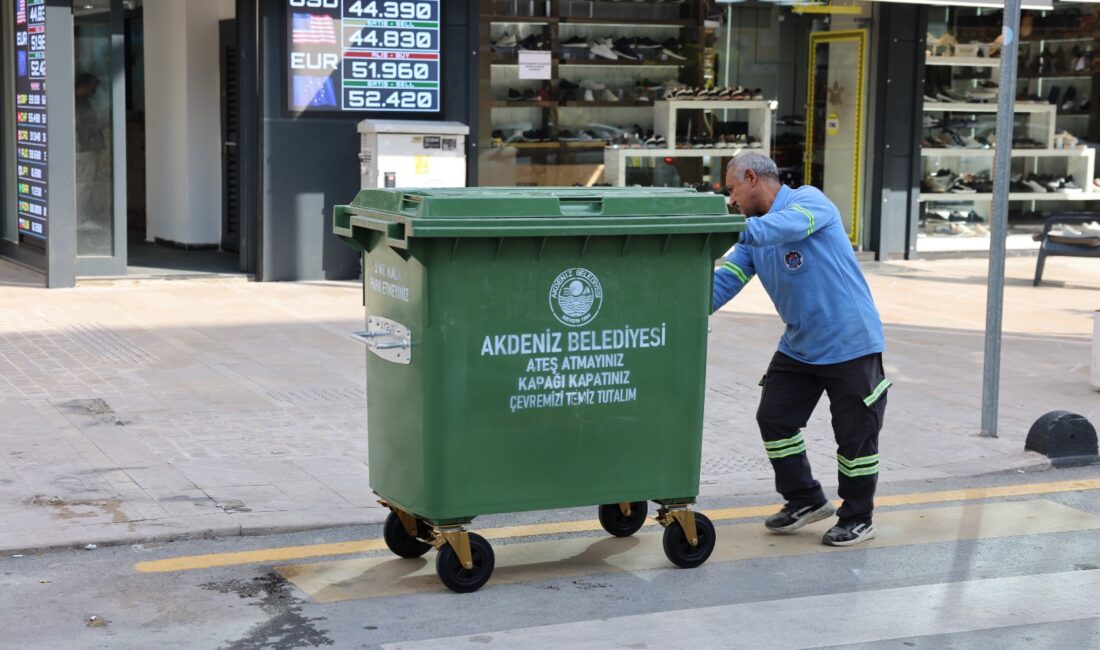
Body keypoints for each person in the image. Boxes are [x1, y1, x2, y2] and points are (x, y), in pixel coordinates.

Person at [712, 152, 890, 547]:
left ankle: (858, 517)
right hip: (800, 345)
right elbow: (726, 280)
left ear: (752, 177)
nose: (732, 200)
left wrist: (725, 229)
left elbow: (787, 227)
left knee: (856, 437)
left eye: (733, 190)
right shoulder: (755, 236)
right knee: (774, 417)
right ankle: (806, 498)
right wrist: (677, 307)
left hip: (850, 342)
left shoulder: (809, 203)